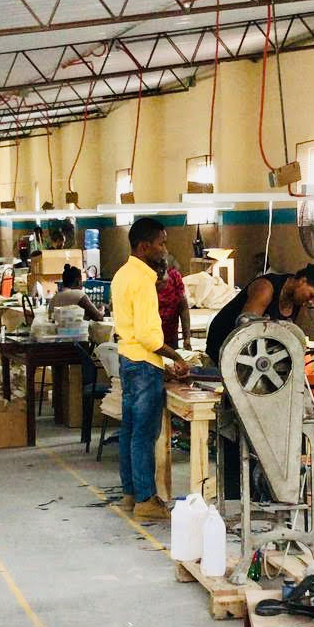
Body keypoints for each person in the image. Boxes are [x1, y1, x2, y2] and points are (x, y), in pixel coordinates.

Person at [112, 217, 191, 520]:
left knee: (130, 430)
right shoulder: (142, 281)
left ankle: (131, 494)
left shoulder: (122, 274)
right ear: (145, 246)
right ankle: (146, 500)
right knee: (144, 434)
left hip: (128, 360)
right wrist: (176, 358)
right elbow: (149, 337)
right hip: (144, 365)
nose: (165, 249)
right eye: (161, 243)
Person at [204, 262, 314, 359]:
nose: (312, 302)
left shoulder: (300, 302)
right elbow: (245, 332)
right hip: (222, 346)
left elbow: (293, 335)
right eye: (312, 295)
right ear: (302, 281)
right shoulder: (265, 288)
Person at [156, 254, 192, 350]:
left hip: (171, 336)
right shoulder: (142, 283)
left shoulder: (174, 278)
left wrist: (187, 338)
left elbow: (183, 308)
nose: (162, 282)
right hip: (150, 339)